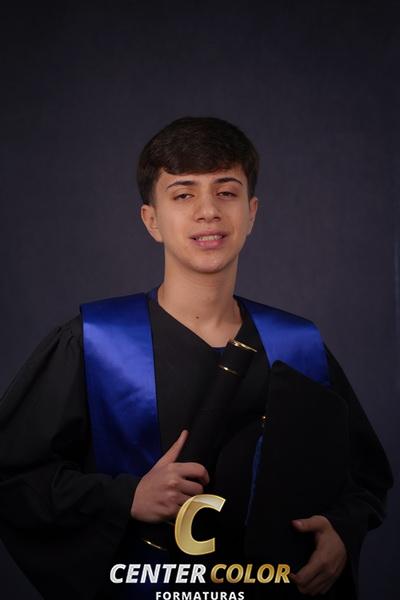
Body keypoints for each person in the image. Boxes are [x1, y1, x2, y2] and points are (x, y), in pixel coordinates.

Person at [0, 117, 393, 600]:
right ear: (151, 220)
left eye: (226, 192)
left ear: (251, 213)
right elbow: (15, 478)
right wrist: (127, 497)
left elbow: (362, 479)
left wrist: (341, 531)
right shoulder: (95, 342)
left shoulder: (298, 347)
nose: (208, 211)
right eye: (183, 194)